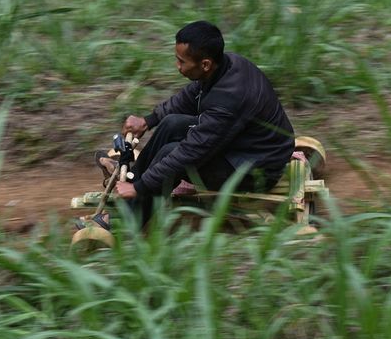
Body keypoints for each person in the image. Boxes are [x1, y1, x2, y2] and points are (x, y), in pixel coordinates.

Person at [99, 20, 295, 229]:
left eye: (181, 62)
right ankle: (133, 177)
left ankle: (128, 219)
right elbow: (190, 97)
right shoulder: (227, 64)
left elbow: (191, 152)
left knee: (171, 153)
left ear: (205, 64)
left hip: (257, 168)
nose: (178, 66)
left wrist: (141, 188)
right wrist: (149, 120)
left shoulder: (230, 99)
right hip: (243, 144)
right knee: (171, 123)